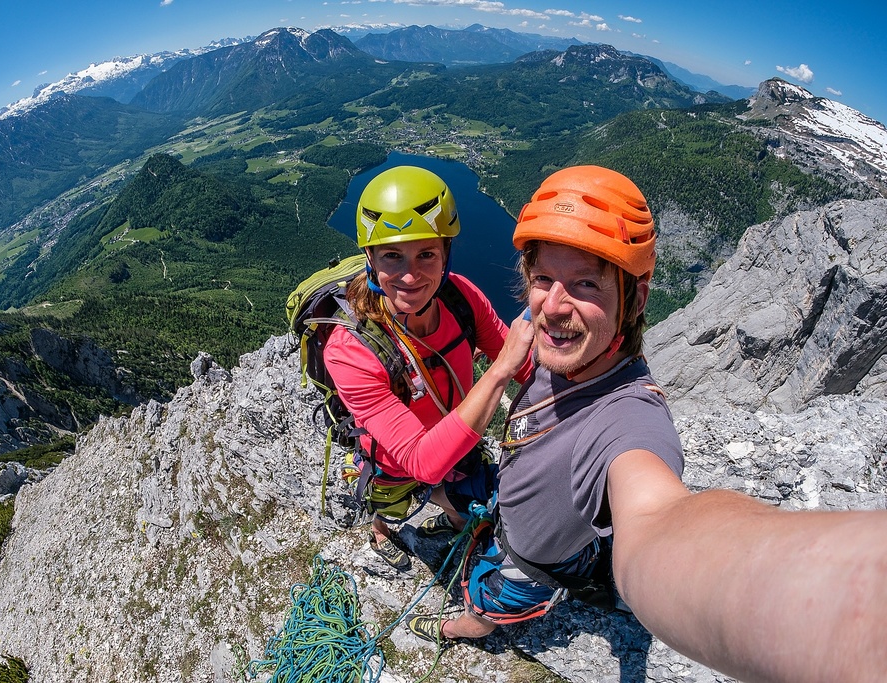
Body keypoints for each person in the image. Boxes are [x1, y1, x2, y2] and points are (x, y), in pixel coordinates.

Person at [407, 165, 887, 683]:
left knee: (490, 600)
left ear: (634, 299)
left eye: (586, 283)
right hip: (517, 521)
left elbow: (662, 519)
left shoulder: (628, 418)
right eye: (543, 278)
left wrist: (842, 608)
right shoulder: (564, 353)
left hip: (530, 566)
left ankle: (477, 624)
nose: (553, 306)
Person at [324, 165, 533, 571]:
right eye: (391, 256)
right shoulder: (351, 349)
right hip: (396, 456)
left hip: (458, 434)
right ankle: (381, 534)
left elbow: (527, 368)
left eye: (426, 254)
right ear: (369, 259)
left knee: (465, 501)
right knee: (390, 504)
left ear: (445, 255)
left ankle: (455, 526)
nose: (409, 275)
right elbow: (422, 462)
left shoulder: (461, 298)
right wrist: (498, 371)